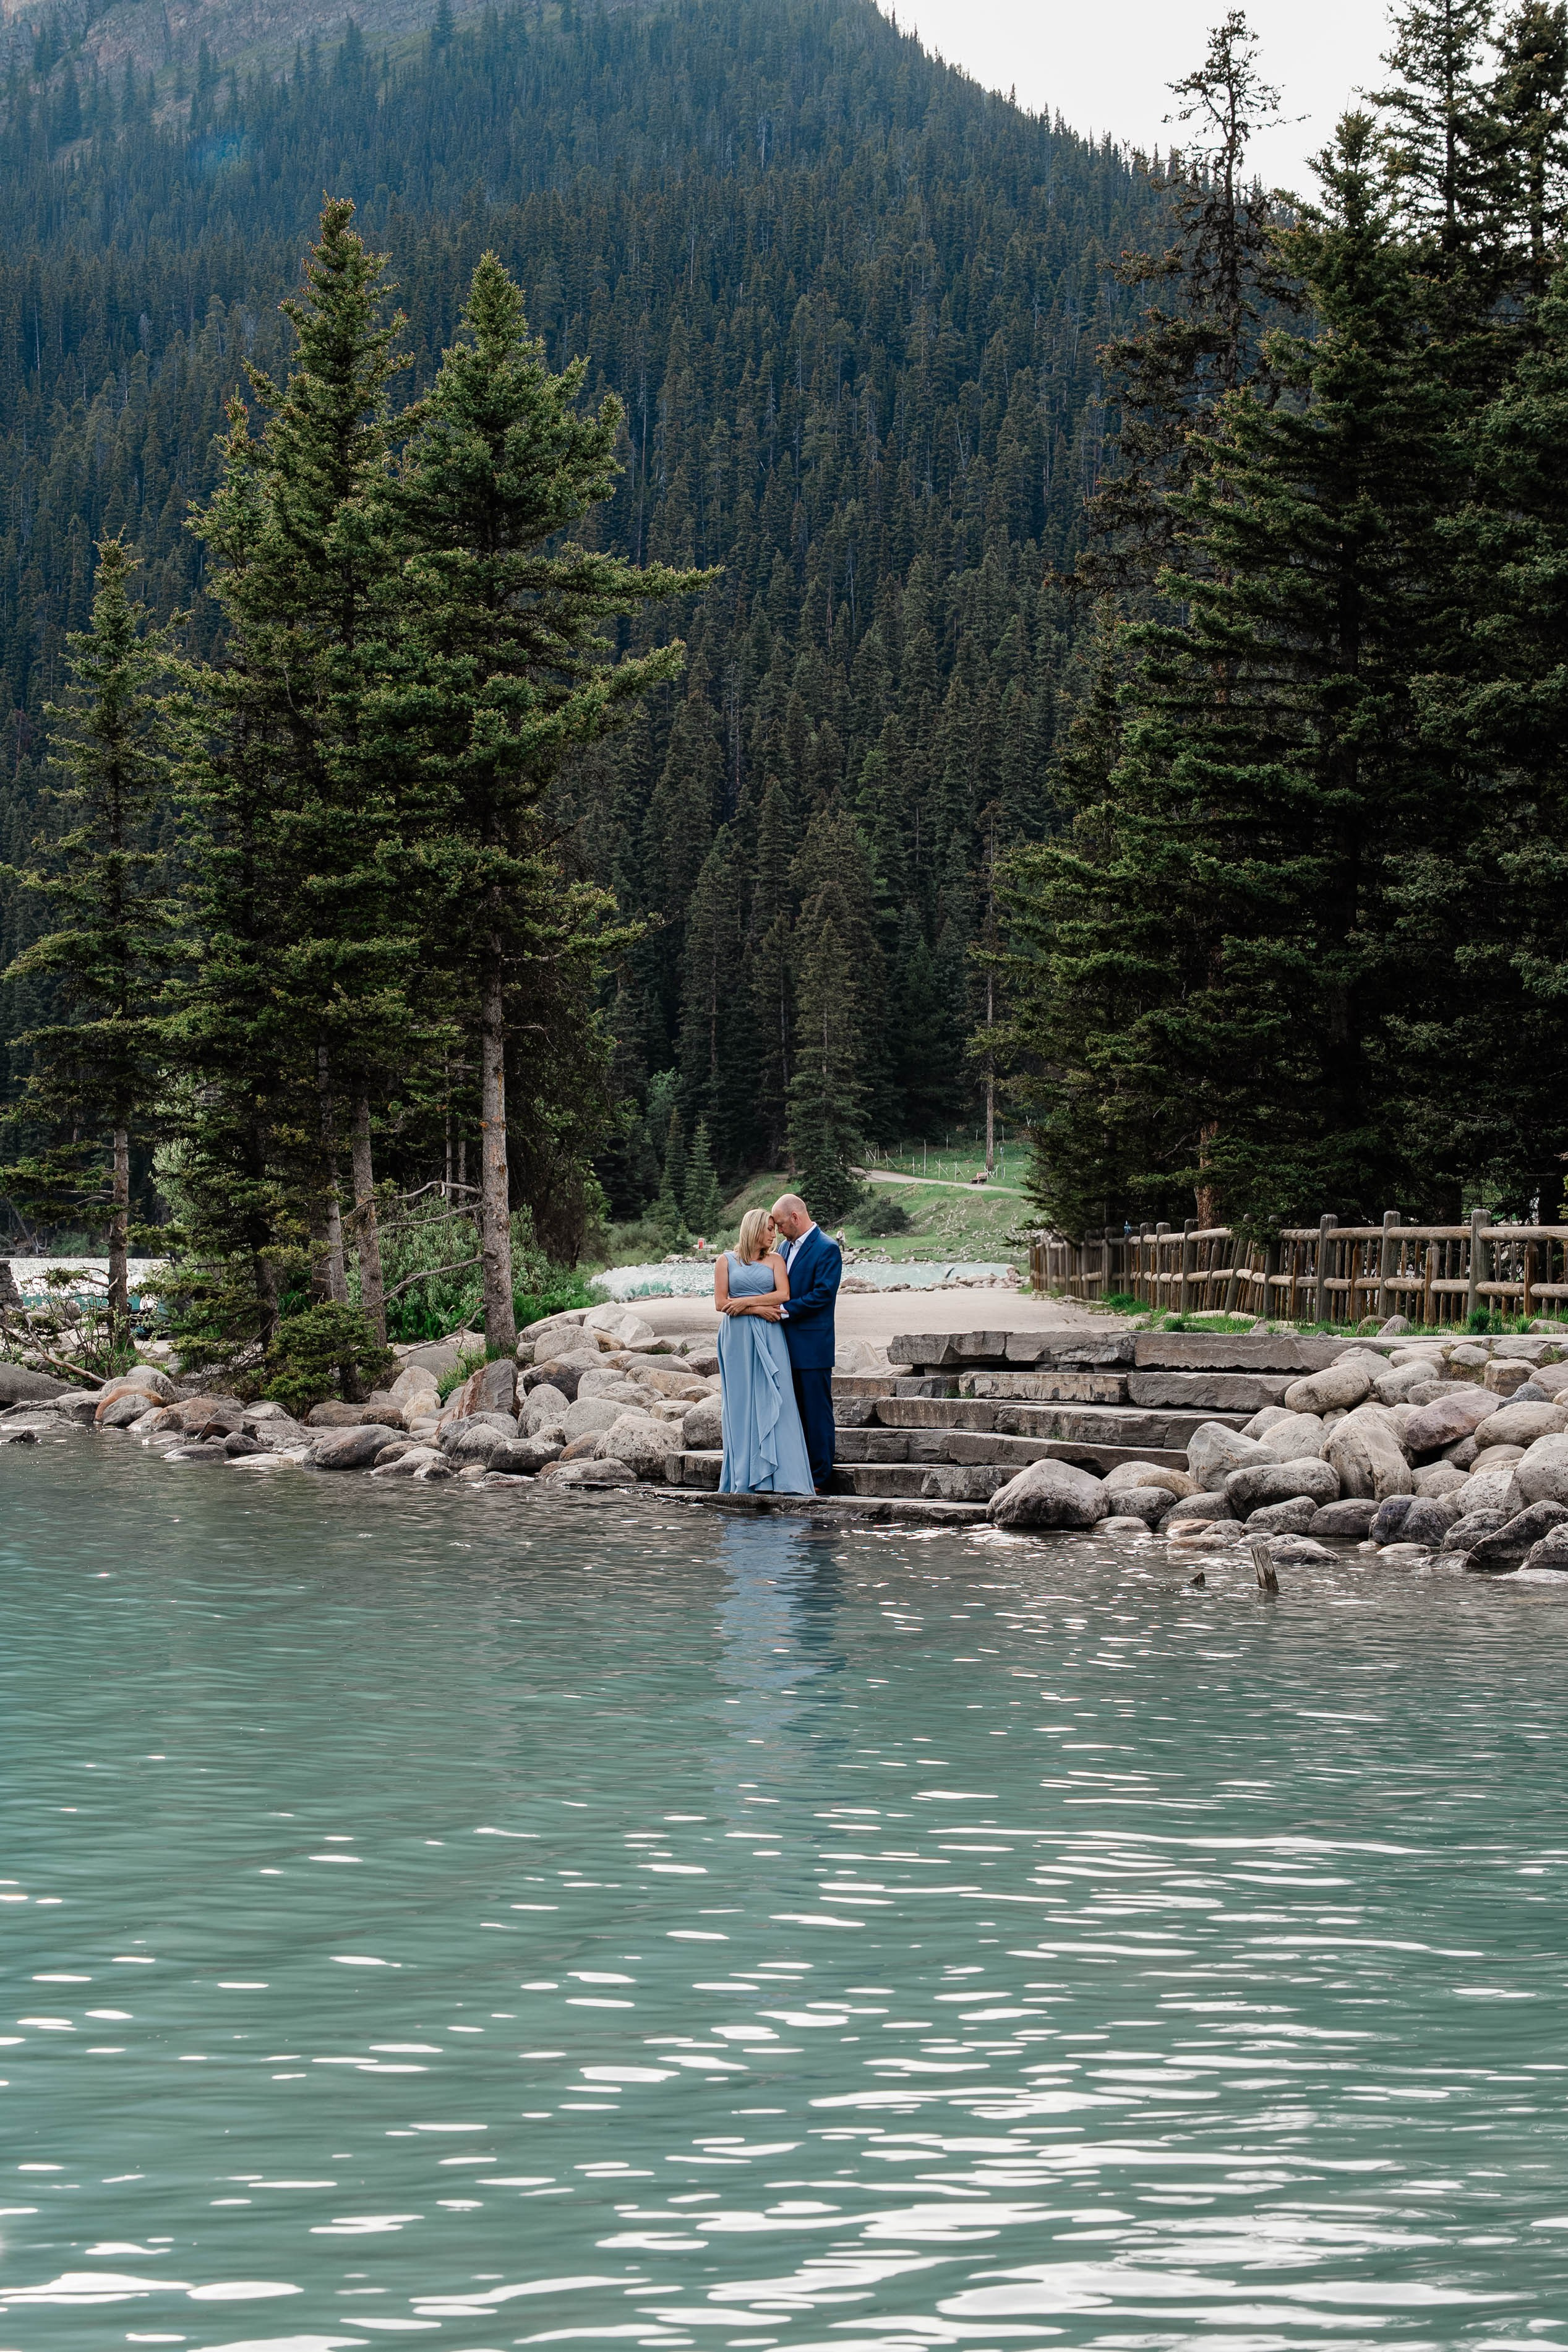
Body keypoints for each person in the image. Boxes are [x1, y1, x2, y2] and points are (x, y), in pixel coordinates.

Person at [713, 1208, 814, 1495]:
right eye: (769, 1229)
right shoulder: (726, 1261)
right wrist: (756, 1308)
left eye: (775, 1228)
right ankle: (744, 1477)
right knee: (741, 1402)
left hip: (770, 1335)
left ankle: (784, 1477)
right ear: (754, 1229)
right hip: (737, 1338)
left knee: (777, 1397)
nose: (774, 1234)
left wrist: (745, 1303)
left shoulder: (776, 1260)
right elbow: (721, 1303)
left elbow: (784, 1295)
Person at [768, 1191, 842, 1495]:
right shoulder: (784, 1250)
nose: (779, 1230)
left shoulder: (827, 1248)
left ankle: (821, 1477)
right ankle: (797, 1471)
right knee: (793, 1413)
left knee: (816, 1412)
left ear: (796, 1218)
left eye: (782, 1224)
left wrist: (784, 1310)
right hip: (786, 1346)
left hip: (813, 1348)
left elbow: (824, 1294)